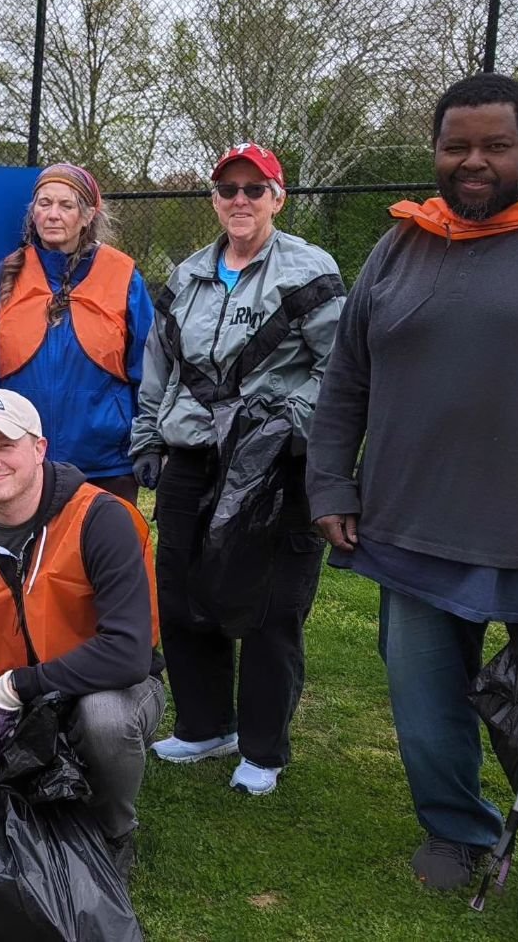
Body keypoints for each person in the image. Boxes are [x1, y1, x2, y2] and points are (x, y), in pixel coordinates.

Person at [307, 73, 518, 927]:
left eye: (494, 145)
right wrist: (331, 482)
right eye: (457, 146)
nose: (474, 162)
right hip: (413, 527)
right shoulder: (402, 245)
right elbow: (346, 381)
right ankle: (454, 831)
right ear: (435, 151)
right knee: (423, 703)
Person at [130, 141, 343, 797]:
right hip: (193, 454)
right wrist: (148, 435)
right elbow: (159, 366)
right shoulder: (191, 275)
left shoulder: (309, 271)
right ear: (214, 200)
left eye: (256, 189)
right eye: (229, 190)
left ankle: (262, 748)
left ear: (279, 197)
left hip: (275, 465)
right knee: (186, 593)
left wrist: (286, 422)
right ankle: (203, 724)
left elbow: (344, 368)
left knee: (271, 605)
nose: (241, 201)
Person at [0, 387, 163, 883]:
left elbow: (128, 654)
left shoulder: (101, 518)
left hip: (112, 687)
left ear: (39, 449)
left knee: (103, 718)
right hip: (21, 699)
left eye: (5, 446)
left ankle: (113, 831)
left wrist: (21, 685)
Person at [0, 163, 153, 503]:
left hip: (106, 463)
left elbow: (149, 367)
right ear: (32, 213)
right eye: (44, 203)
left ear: (88, 214)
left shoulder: (123, 275)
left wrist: (147, 440)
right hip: (22, 461)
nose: (52, 214)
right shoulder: (6, 275)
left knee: (104, 554)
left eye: (65, 205)